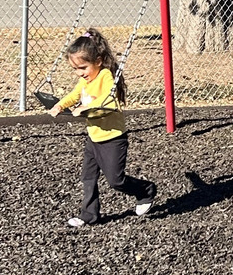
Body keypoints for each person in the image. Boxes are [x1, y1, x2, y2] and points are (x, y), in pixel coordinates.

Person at [49, 28, 156, 228]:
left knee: (116, 181)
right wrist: (60, 105)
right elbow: (74, 94)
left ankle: (145, 190)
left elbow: (108, 100)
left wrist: (86, 107)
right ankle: (89, 215)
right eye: (75, 69)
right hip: (94, 137)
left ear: (97, 61)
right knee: (88, 178)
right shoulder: (84, 80)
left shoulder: (106, 76)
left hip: (113, 138)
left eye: (83, 67)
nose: (80, 73)